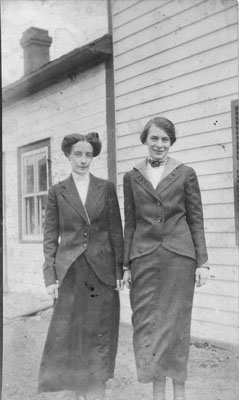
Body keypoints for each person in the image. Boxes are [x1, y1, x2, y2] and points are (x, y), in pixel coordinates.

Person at [123, 117, 209, 400]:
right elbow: (130, 223)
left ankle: (179, 392)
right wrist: (125, 264)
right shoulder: (132, 175)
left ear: (171, 143)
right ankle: (157, 392)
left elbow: (196, 219)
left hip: (179, 258)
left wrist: (202, 262)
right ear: (145, 140)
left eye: (165, 140)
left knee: (176, 324)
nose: (159, 145)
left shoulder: (186, 173)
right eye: (154, 139)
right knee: (147, 324)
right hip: (143, 258)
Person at [38, 132, 124, 400]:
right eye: (78, 154)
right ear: (68, 156)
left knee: (100, 330)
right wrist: (50, 277)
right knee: (73, 332)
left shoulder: (106, 188)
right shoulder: (57, 192)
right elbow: (50, 236)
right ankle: (78, 389)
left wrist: (119, 271)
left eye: (88, 155)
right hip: (71, 273)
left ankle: (96, 387)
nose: (83, 160)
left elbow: (115, 231)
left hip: (101, 272)